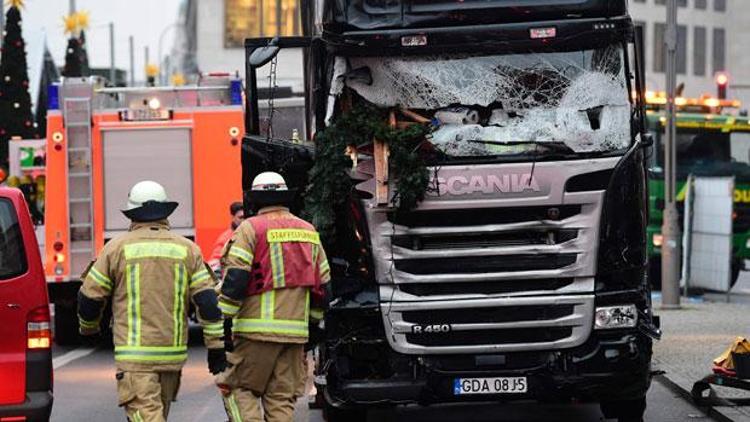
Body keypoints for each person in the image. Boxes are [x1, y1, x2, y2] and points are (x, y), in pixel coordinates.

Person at [77, 180, 227, 422]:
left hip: (135, 359)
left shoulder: (116, 249)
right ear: (165, 211)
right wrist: (216, 347)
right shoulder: (188, 249)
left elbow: (90, 297)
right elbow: (208, 303)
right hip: (172, 357)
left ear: (132, 213)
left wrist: (89, 328)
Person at [216, 172, 330, 422]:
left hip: (254, 333)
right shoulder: (308, 231)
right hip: (295, 336)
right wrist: (312, 325)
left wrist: (222, 325)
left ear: (255, 200)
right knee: (280, 399)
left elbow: (235, 281)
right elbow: (323, 288)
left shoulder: (250, 229)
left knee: (236, 388)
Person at [208, 201, 245, 273]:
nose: (243, 221)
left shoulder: (250, 234)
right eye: (241, 217)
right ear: (232, 217)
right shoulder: (226, 238)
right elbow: (214, 262)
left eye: (245, 217)